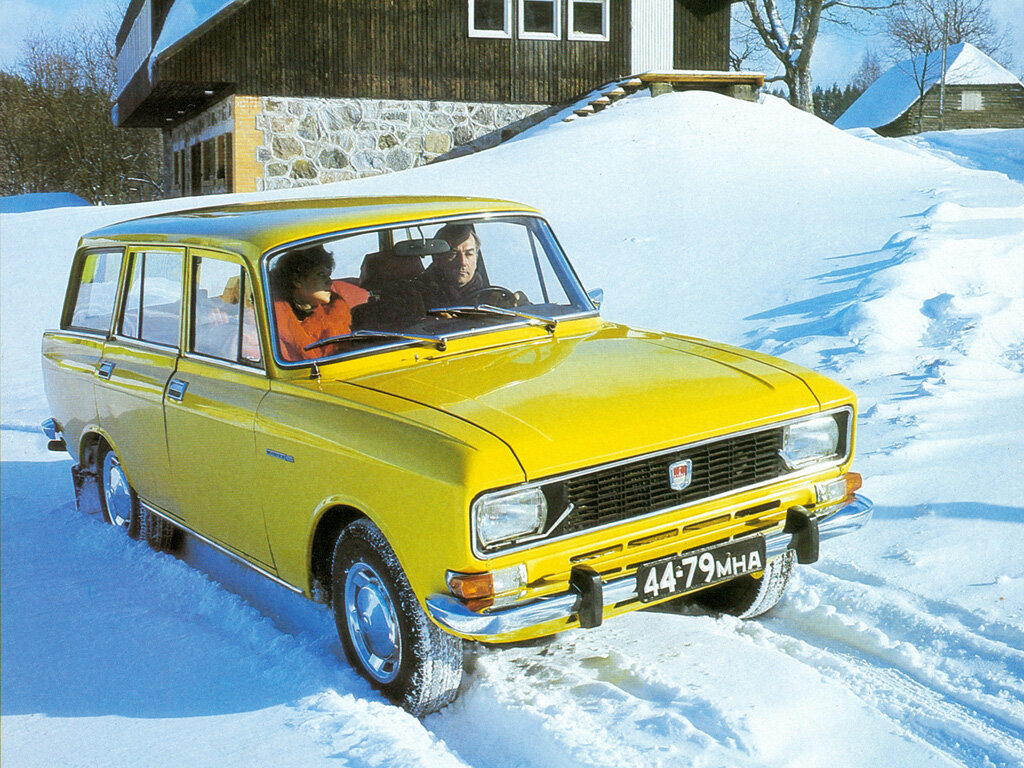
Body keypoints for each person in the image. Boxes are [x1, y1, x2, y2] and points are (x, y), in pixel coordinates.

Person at [271, 244, 366, 361]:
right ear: (297, 280)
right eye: (320, 274)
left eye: (328, 275)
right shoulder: (273, 319)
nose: (329, 281)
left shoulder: (338, 311)